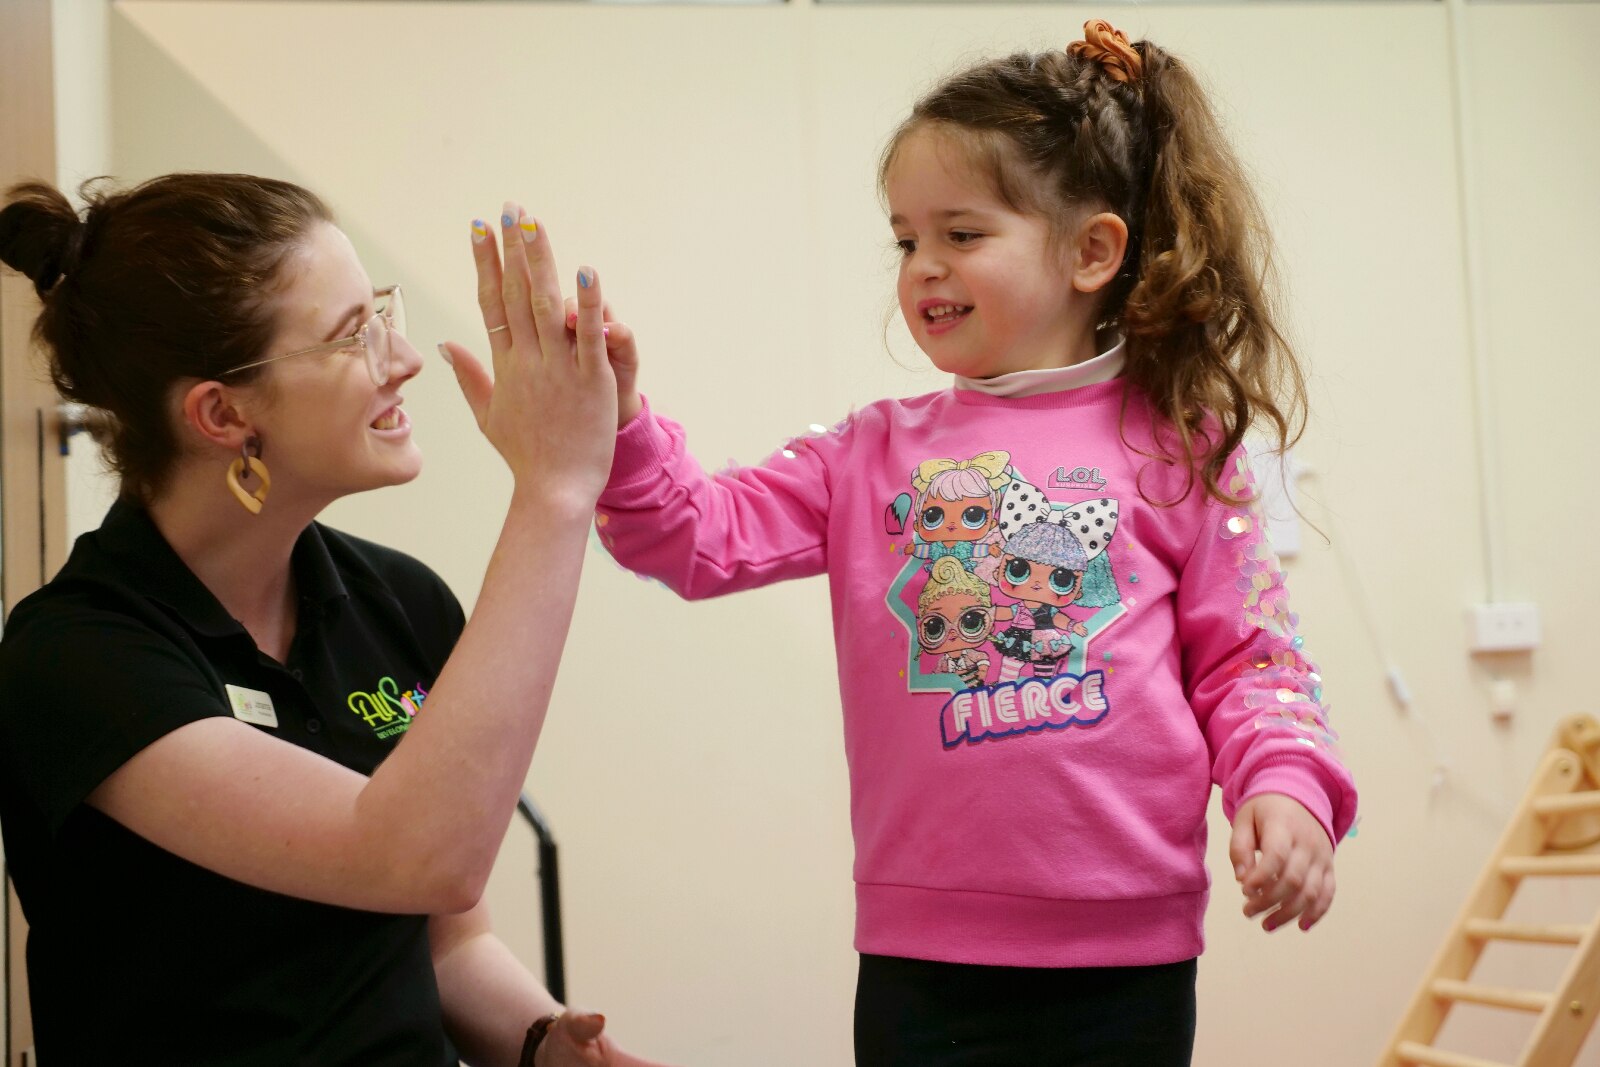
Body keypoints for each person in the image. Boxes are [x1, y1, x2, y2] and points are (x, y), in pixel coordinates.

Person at [579, 20, 1357, 1066]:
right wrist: (619, 422)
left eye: (961, 233)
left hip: (1125, 955)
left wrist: (1284, 785)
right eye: (906, 239)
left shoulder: (1179, 442)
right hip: (923, 958)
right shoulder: (867, 453)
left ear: (1092, 250)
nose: (923, 268)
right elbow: (690, 535)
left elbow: (1250, 660)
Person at [0, 175, 671, 1067]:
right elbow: (412, 854)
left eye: (379, 311)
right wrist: (553, 491)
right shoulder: (78, 655)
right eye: (353, 334)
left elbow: (445, 939)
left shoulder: (400, 601)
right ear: (222, 413)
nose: (402, 358)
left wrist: (543, 1041)